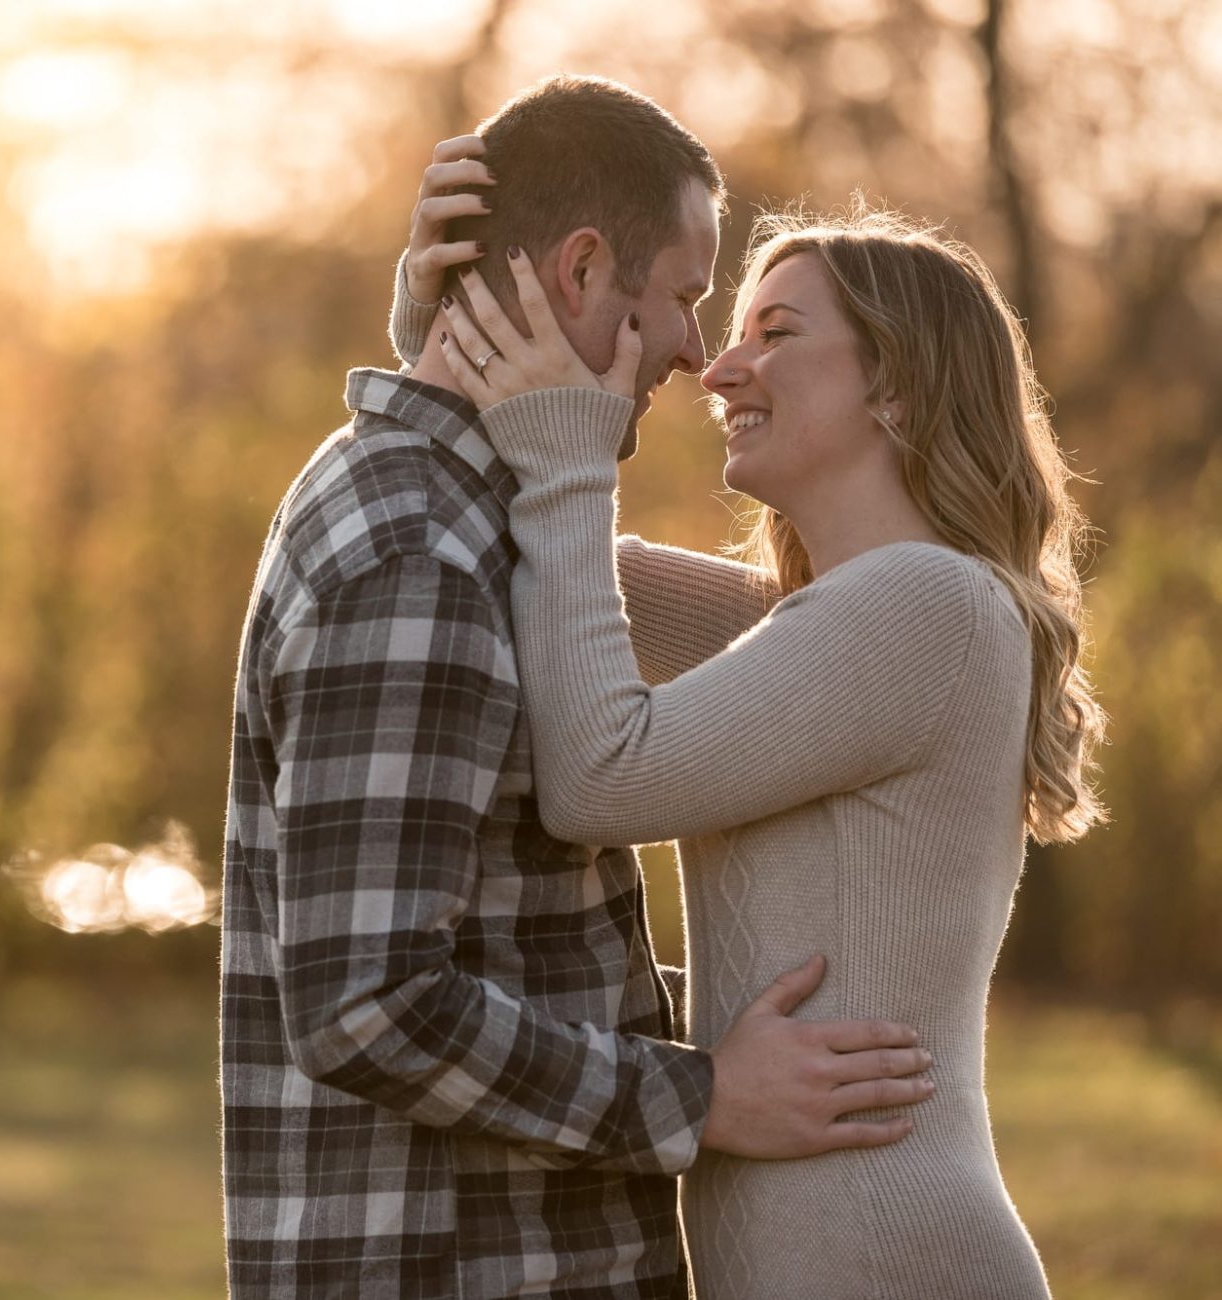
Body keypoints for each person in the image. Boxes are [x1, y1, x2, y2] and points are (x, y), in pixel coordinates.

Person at [219, 75, 935, 1300]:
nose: (695, 352)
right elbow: (367, 1001)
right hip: (460, 1267)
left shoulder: (457, 521)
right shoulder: (415, 555)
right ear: (583, 270)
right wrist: (700, 1094)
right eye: (682, 298)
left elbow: (503, 944)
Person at [390, 142, 1105, 1297]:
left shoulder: (925, 609)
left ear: (897, 385)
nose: (717, 369)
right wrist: (441, 335)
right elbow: (535, 566)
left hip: (886, 1256)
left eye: (774, 333)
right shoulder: (829, 619)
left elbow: (599, 778)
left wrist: (571, 457)